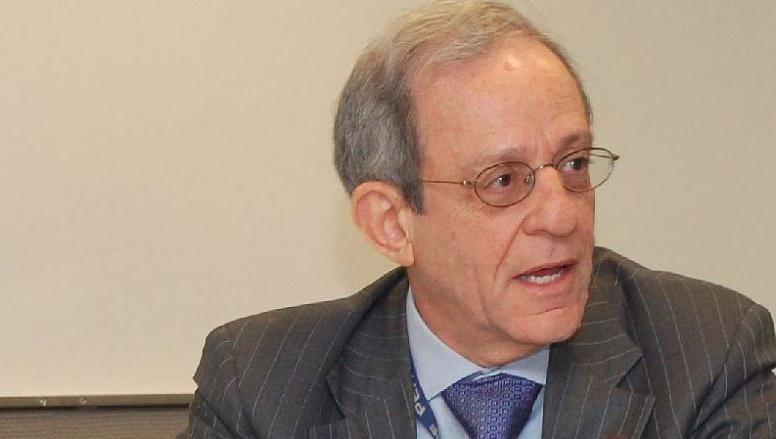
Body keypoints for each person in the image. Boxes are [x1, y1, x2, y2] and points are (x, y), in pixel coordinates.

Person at [179, 1, 776, 438]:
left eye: (573, 164)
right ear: (392, 223)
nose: (561, 214)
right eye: (503, 181)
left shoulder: (706, 354)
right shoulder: (261, 384)